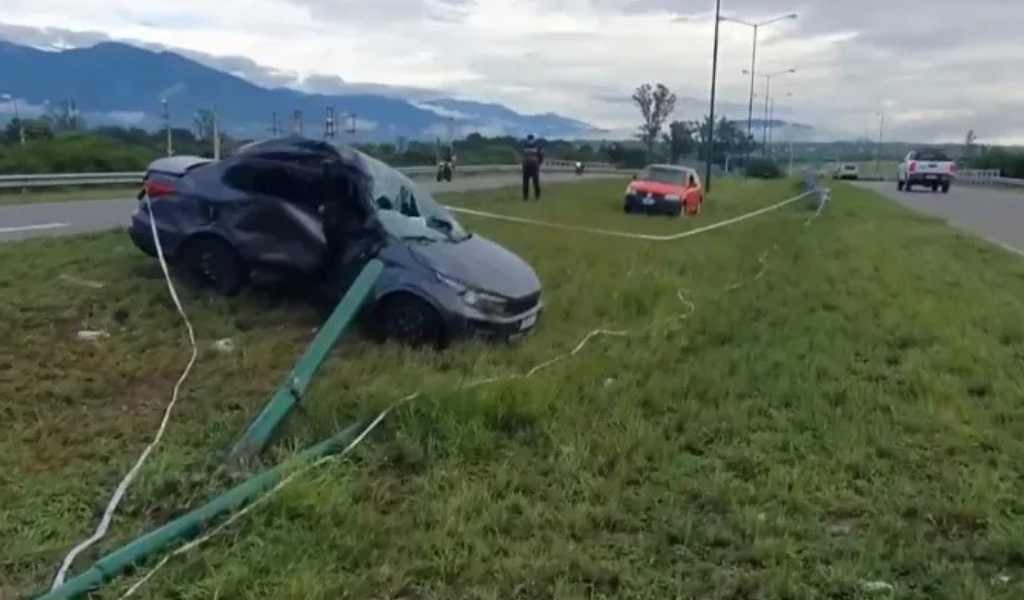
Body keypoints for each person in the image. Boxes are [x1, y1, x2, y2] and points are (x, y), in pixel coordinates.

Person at [521, 134, 544, 201]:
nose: (530, 141)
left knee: (536, 182)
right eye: (529, 139)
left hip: (534, 166)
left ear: (533, 140)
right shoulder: (525, 146)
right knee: (525, 183)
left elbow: (541, 156)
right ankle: (525, 197)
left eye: (531, 139)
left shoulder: (537, 147)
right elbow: (523, 156)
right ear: (527, 140)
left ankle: (537, 196)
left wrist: (538, 163)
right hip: (526, 167)